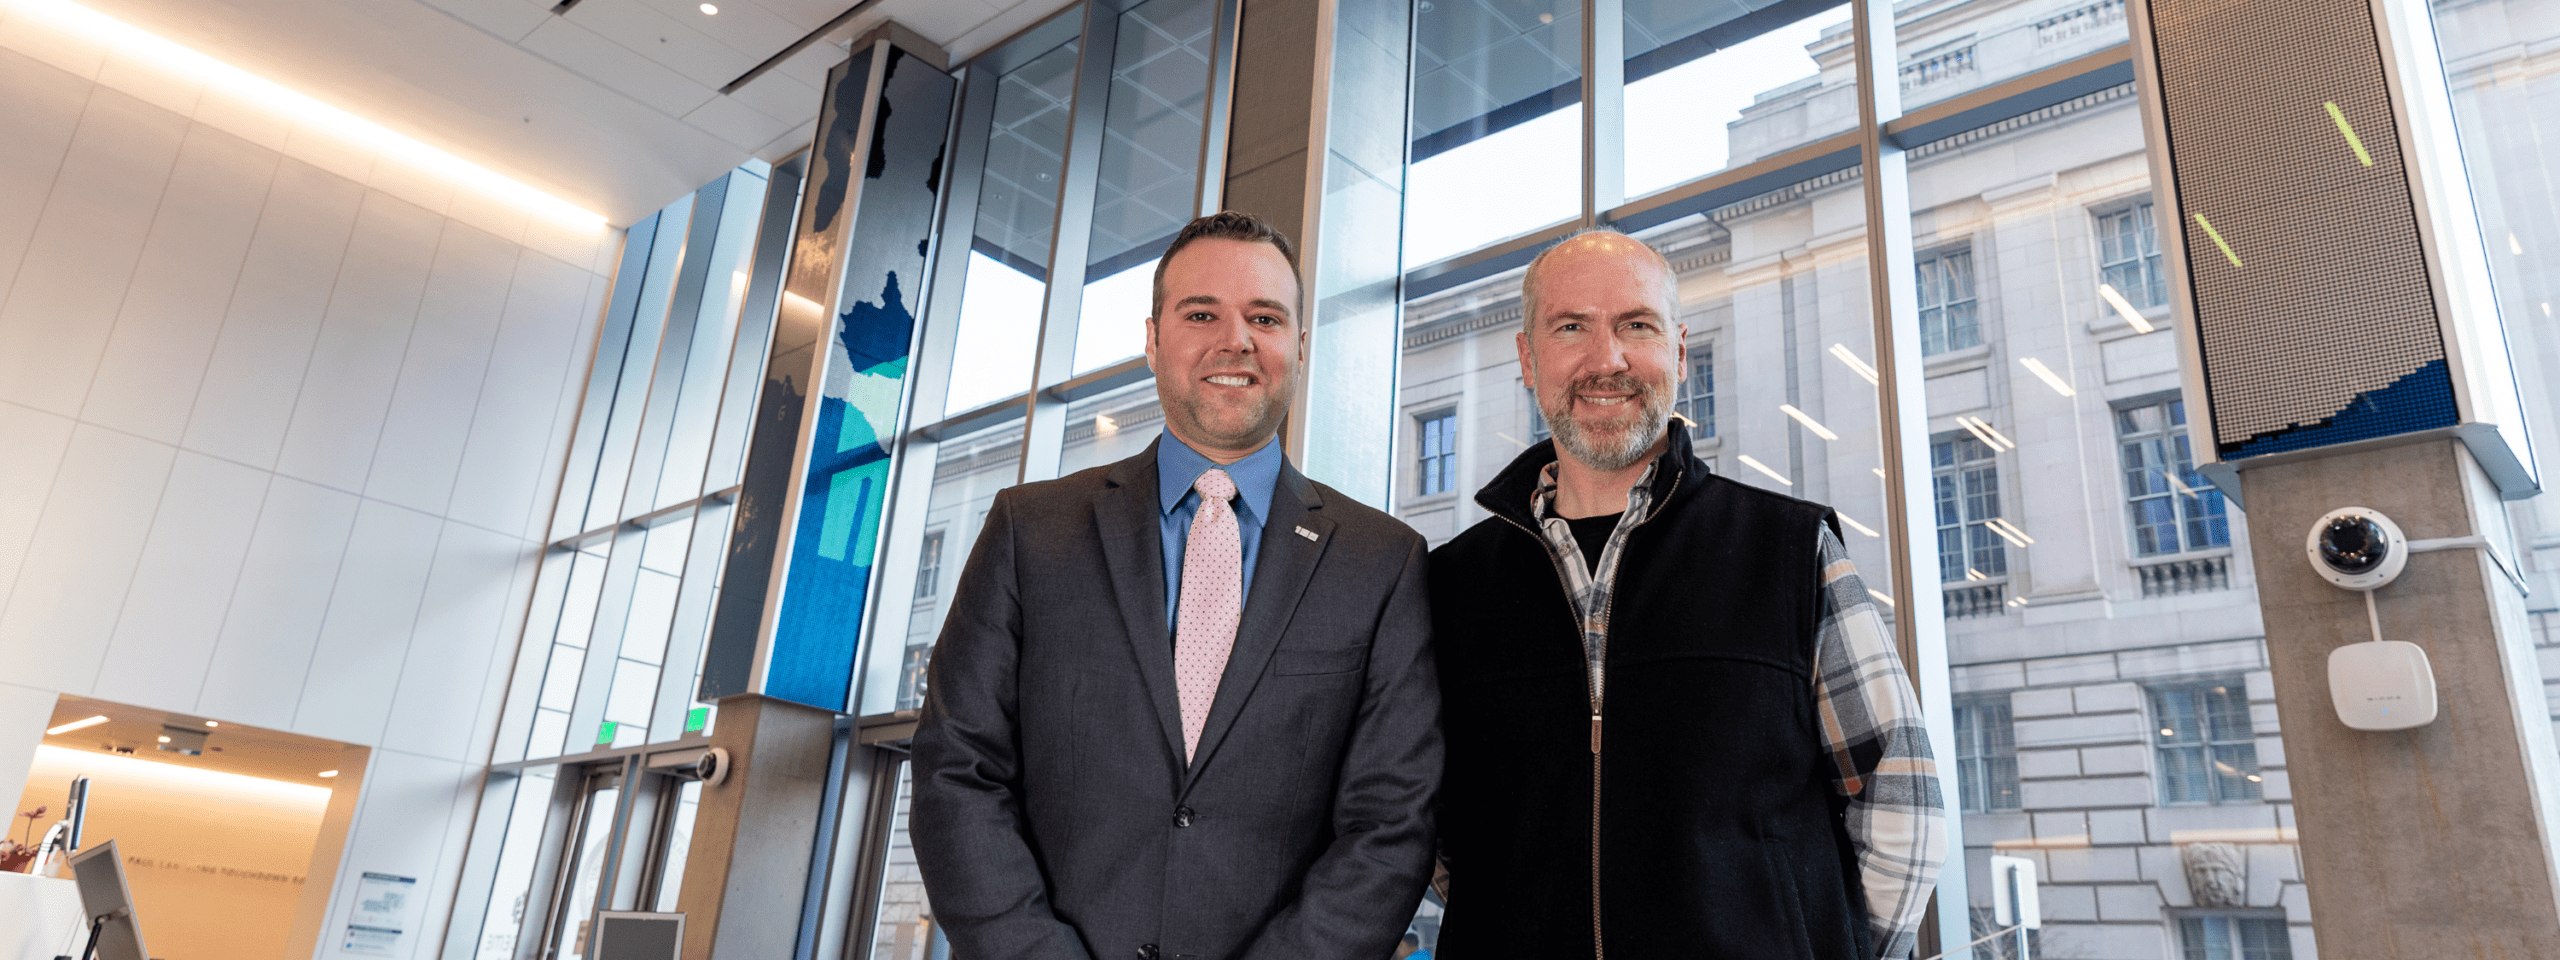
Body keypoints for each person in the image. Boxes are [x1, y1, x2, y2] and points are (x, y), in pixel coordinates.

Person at [909, 211, 1441, 960]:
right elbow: (957, 773)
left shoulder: (1382, 560)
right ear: (1154, 339)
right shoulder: (1032, 531)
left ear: (1297, 346)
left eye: (1265, 317)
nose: (1238, 341)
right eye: (1202, 314)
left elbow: (1391, 822)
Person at [1427, 229, 1945, 959]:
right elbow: (1433, 826)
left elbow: (1901, 802)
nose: (1606, 359)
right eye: (1571, 327)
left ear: (1677, 351)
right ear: (1528, 359)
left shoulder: (1790, 553)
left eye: (1635, 325)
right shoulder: (1450, 585)